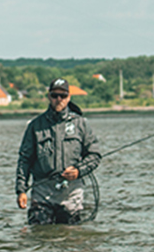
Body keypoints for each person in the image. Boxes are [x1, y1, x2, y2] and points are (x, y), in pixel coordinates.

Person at [15, 78, 102, 225]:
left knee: (70, 240)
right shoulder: (35, 126)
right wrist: (21, 190)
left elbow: (94, 155)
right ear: (49, 96)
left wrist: (78, 171)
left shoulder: (81, 124)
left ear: (69, 97)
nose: (59, 99)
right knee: (39, 235)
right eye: (55, 95)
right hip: (42, 192)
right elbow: (25, 160)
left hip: (71, 194)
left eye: (63, 96)